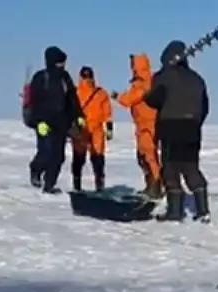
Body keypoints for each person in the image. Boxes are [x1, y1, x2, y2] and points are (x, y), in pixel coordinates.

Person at [144, 40, 210, 222]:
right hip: (192, 129)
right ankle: (203, 210)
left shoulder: (163, 76)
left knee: (170, 169)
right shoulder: (197, 79)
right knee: (190, 167)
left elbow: (153, 100)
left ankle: (175, 211)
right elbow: (205, 107)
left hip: (171, 127)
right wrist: (194, 122)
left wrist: (146, 95)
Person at [27, 46, 84, 194]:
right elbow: (34, 102)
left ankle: (49, 185)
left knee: (58, 156)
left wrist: (78, 116)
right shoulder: (40, 77)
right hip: (44, 123)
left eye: (63, 63)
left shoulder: (65, 78)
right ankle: (36, 170)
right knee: (45, 152)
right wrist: (38, 122)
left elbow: (72, 99)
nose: (62, 65)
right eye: (59, 62)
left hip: (62, 123)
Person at [113, 53, 164, 198]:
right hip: (143, 125)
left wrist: (117, 96)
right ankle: (151, 185)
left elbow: (129, 100)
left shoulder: (144, 83)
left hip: (148, 125)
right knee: (143, 156)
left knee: (149, 156)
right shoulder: (146, 81)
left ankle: (155, 186)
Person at [70, 67, 113, 192]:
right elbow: (107, 113)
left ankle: (77, 185)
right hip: (95, 130)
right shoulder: (101, 93)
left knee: (78, 158)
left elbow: (70, 110)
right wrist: (109, 129)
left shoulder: (75, 92)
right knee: (98, 160)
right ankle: (100, 186)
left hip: (80, 129)